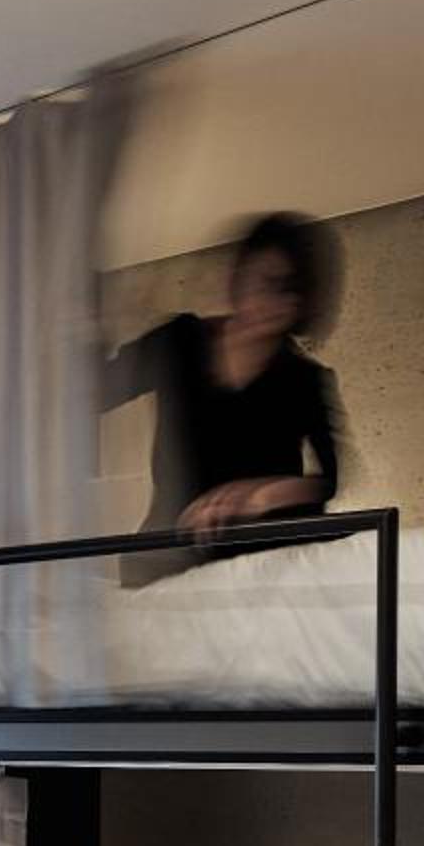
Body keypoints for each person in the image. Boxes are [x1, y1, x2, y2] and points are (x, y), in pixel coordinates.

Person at [108, 211, 344, 578]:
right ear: (241, 274)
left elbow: (327, 480)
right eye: (264, 281)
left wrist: (257, 496)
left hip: (266, 557)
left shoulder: (304, 378)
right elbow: (100, 389)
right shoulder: (179, 342)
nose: (272, 301)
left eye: (289, 291)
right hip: (172, 549)